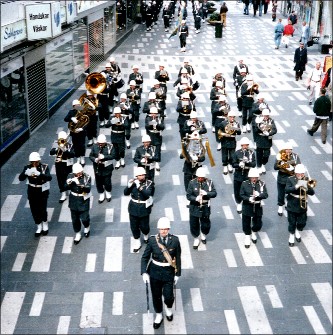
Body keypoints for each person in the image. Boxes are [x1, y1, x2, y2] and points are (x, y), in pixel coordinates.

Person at [141, 217, 181, 330]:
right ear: (158, 229)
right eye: (161, 229)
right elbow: (145, 257)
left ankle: (168, 309)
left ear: (168, 229)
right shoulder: (153, 240)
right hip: (155, 272)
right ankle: (159, 314)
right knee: (156, 296)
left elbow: (178, 258)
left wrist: (178, 273)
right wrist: (144, 272)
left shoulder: (175, 240)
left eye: (165, 229)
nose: (163, 231)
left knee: (169, 296)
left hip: (169, 272)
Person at [19, 152, 52, 237]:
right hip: (32, 190)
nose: (34, 164)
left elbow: (49, 177)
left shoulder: (44, 167)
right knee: (34, 208)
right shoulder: (27, 167)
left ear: (39, 161)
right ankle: (38, 225)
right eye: (32, 162)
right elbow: (20, 178)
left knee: (42, 208)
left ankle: (45, 224)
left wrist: (40, 174)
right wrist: (25, 173)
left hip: (42, 190)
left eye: (36, 162)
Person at [124, 166, 155, 252]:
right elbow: (125, 193)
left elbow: (147, 194)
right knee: (134, 226)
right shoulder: (133, 183)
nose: (142, 177)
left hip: (144, 208)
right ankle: (137, 241)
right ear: (136, 176)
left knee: (144, 226)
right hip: (133, 207)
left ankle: (145, 235)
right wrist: (128, 186)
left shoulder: (149, 183)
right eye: (139, 175)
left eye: (143, 175)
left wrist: (139, 187)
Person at [186, 167, 217, 249]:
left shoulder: (209, 183)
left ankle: (203, 234)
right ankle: (196, 238)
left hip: (205, 206)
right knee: (194, 224)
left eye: (201, 177)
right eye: (198, 177)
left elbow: (214, 193)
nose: (200, 179)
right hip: (195, 206)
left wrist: (207, 193)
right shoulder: (192, 183)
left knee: (206, 224)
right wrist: (195, 198)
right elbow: (188, 195)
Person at [285, 164, 315, 247]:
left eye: (302, 174)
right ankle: (291, 235)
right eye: (298, 174)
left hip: (302, 203)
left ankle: (298, 231)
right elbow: (287, 190)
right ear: (295, 173)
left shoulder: (306, 179)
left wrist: (307, 188)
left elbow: (312, 193)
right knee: (292, 222)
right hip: (292, 203)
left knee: (302, 222)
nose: (300, 175)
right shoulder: (290, 179)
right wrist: (296, 186)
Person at [240, 167, 268, 248]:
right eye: (252, 178)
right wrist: (248, 198)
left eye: (255, 177)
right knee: (246, 222)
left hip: (257, 205)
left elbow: (266, 194)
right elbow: (241, 195)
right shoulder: (244, 183)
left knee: (258, 223)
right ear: (249, 177)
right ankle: (247, 236)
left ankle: (254, 232)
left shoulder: (261, 184)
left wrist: (259, 195)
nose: (254, 179)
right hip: (247, 205)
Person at [64, 163, 92, 245]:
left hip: (83, 199)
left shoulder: (87, 177)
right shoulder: (70, 176)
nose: (79, 174)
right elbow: (64, 187)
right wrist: (69, 183)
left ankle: (87, 227)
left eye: (80, 172)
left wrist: (80, 185)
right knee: (75, 219)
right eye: (77, 173)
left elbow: (88, 189)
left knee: (84, 218)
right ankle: (78, 233)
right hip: (73, 199)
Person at [274, 142, 301, 216]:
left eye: (290, 149)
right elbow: (275, 167)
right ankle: (280, 206)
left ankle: (289, 205)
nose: (288, 151)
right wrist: (281, 164)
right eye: (287, 149)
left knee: (291, 192)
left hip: (292, 178)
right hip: (282, 178)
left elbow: (299, 166)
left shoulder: (295, 156)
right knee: (281, 193)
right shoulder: (280, 155)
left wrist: (293, 167)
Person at [89, 134, 116, 203]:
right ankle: (101, 194)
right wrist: (95, 159)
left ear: (105, 142)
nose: (100, 145)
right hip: (98, 168)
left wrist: (104, 157)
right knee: (99, 183)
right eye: (99, 143)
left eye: (102, 144)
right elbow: (90, 156)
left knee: (107, 182)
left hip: (107, 168)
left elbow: (113, 155)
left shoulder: (110, 146)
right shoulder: (95, 146)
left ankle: (108, 193)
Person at [232, 137, 256, 214]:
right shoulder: (237, 153)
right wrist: (239, 164)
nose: (245, 147)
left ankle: (247, 203)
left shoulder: (251, 153)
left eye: (246, 145)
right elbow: (233, 164)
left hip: (247, 174)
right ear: (241, 145)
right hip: (238, 175)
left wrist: (248, 162)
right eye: (243, 145)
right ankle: (238, 203)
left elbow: (254, 164)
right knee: (237, 190)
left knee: (248, 190)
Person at [49, 131, 74, 203]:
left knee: (68, 178)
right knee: (60, 178)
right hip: (59, 164)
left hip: (68, 165)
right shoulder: (57, 145)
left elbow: (72, 155)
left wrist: (65, 150)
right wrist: (57, 149)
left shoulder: (70, 146)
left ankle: (70, 191)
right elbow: (51, 152)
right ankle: (63, 193)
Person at [217, 110, 242, 175]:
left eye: (233, 117)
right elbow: (219, 130)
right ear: (228, 117)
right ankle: (225, 165)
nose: (232, 118)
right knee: (224, 154)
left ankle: (230, 164)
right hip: (225, 140)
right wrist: (223, 134)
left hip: (232, 141)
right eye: (231, 117)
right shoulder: (224, 123)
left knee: (232, 155)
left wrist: (236, 128)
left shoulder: (236, 123)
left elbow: (239, 133)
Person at [253, 108, 277, 174]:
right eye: (265, 115)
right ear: (262, 115)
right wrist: (260, 128)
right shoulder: (258, 120)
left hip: (267, 140)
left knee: (266, 155)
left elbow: (275, 130)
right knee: (259, 154)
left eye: (267, 115)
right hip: (260, 139)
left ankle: (263, 164)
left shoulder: (271, 121)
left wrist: (269, 133)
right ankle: (259, 166)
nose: (266, 117)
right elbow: (255, 130)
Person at [64, 99, 87, 166]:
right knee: (76, 145)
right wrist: (71, 118)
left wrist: (82, 128)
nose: (77, 106)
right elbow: (65, 119)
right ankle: (78, 157)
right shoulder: (71, 112)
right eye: (76, 106)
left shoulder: (83, 112)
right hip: (74, 132)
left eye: (78, 105)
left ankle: (82, 157)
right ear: (73, 106)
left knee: (82, 145)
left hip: (81, 131)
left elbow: (87, 122)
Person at [145, 106, 165, 172]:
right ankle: (150, 161)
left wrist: (157, 124)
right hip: (151, 135)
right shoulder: (148, 118)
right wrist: (152, 123)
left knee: (158, 150)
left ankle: (157, 163)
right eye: (152, 113)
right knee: (149, 148)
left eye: (155, 113)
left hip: (157, 135)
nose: (154, 114)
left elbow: (163, 127)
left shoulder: (159, 118)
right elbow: (146, 126)